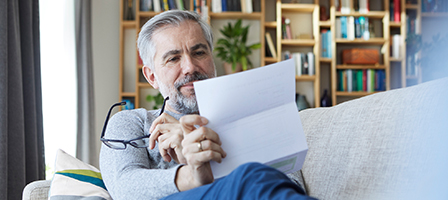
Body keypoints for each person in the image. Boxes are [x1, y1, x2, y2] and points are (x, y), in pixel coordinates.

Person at [99, 10, 316, 200]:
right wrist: (193, 174)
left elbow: (290, 186)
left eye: (199, 52)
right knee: (251, 175)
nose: (190, 67)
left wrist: (216, 159)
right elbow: (124, 188)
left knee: (254, 176)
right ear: (151, 77)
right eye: (173, 58)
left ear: (212, 59)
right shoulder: (131, 122)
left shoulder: (252, 114)